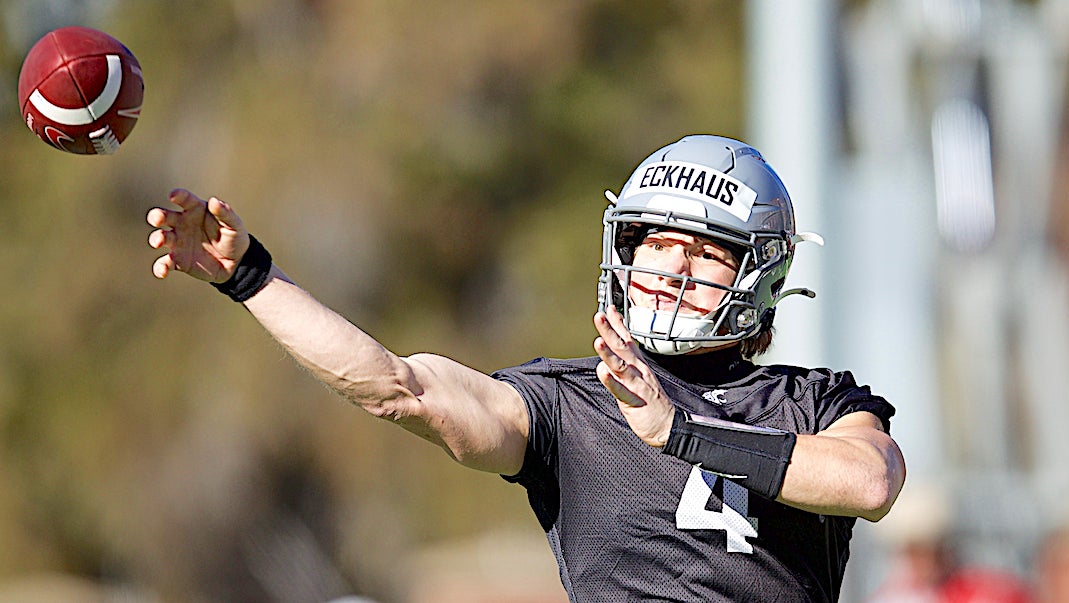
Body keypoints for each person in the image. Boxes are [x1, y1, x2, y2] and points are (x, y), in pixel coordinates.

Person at [147, 134, 906, 602]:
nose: (674, 268)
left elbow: (869, 482)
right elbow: (396, 387)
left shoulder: (815, 399)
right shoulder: (566, 403)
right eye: (659, 242)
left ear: (760, 276)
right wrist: (249, 277)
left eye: (706, 251)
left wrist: (682, 433)